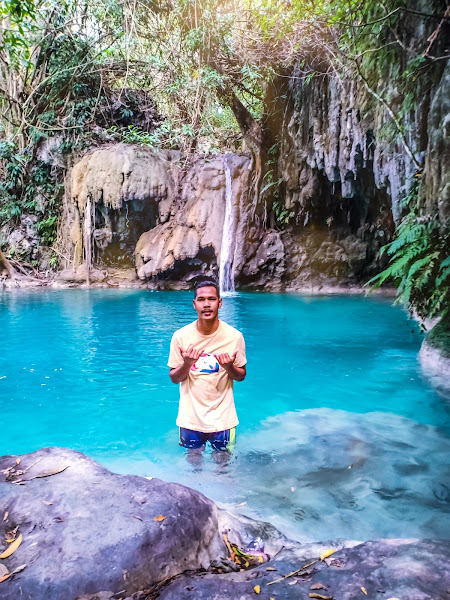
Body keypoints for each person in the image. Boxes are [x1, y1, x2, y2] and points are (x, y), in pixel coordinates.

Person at [168, 279, 246, 455]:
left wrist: (228, 367)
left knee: (223, 468)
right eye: (201, 300)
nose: (206, 304)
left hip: (223, 419)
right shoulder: (180, 337)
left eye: (211, 299)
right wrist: (187, 364)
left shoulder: (234, 337)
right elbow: (174, 378)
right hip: (190, 419)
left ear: (220, 303)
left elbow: (241, 376)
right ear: (194, 304)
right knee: (192, 467)